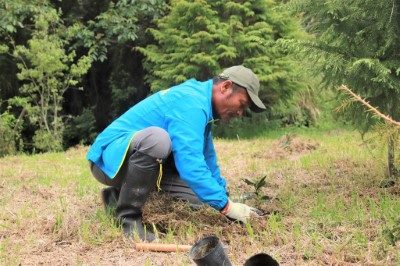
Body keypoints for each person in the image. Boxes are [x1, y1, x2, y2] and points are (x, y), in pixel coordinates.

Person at [87, 65, 267, 242]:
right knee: (158, 139)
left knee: (201, 198)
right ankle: (128, 220)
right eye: (242, 104)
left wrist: (224, 198)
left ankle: (116, 196)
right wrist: (227, 208)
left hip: (134, 164)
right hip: (108, 161)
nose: (240, 112)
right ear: (225, 86)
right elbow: (190, 165)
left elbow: (206, 159)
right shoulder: (191, 102)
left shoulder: (203, 107)